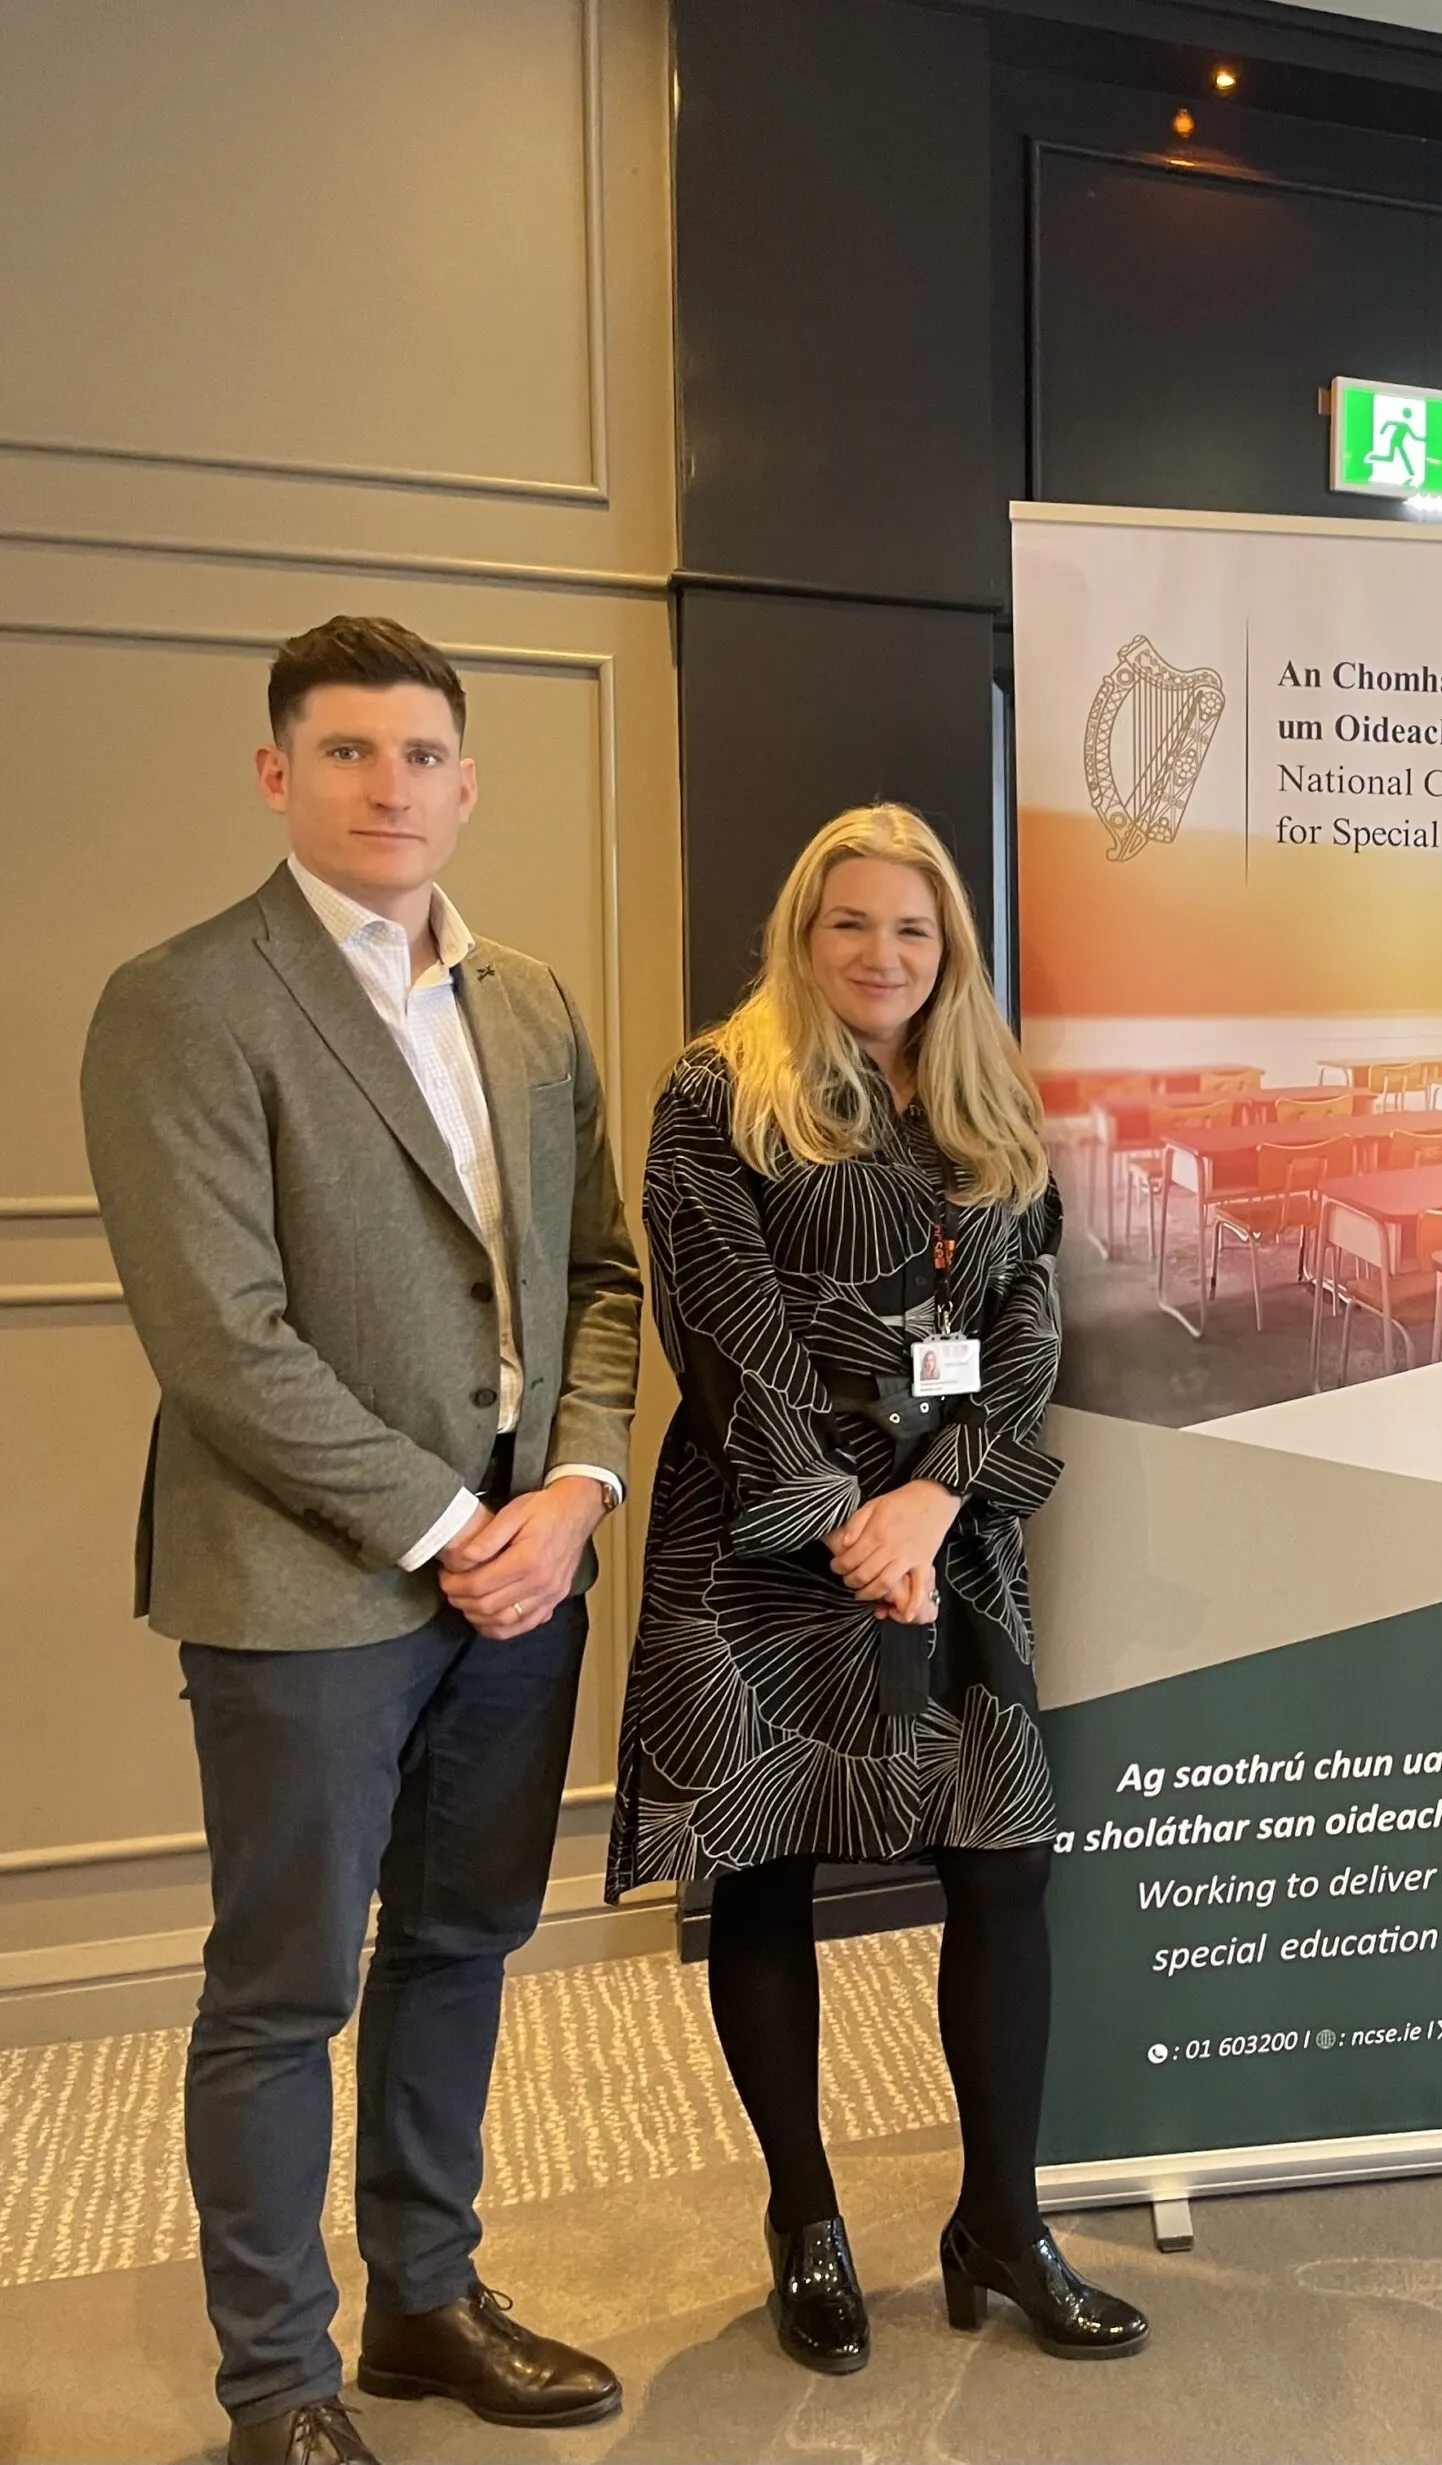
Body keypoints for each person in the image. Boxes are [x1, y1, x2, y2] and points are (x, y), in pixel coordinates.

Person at [80, 616, 642, 2465]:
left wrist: (568, 1498)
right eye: (346, 753)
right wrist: (456, 1520)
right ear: (276, 774)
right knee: (282, 1989)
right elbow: (220, 1338)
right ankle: (280, 2387)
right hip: (308, 1581)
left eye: (420, 757)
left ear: (468, 785)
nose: (388, 787)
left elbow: (599, 1283)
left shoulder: (537, 1003)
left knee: (464, 1943)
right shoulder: (184, 999)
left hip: (525, 1576)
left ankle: (423, 2301)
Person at [607, 804, 1147, 2372]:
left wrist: (932, 1498)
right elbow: (719, 1317)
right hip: (766, 1541)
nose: (884, 955)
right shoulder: (722, 1089)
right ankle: (807, 2220)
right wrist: (846, 1520)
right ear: (802, 931)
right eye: (853, 924)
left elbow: (1034, 1319)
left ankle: (1002, 2218)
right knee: (768, 1872)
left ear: (949, 949)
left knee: (1005, 1867)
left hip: (951, 1534)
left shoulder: (988, 1095)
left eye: (915, 930)